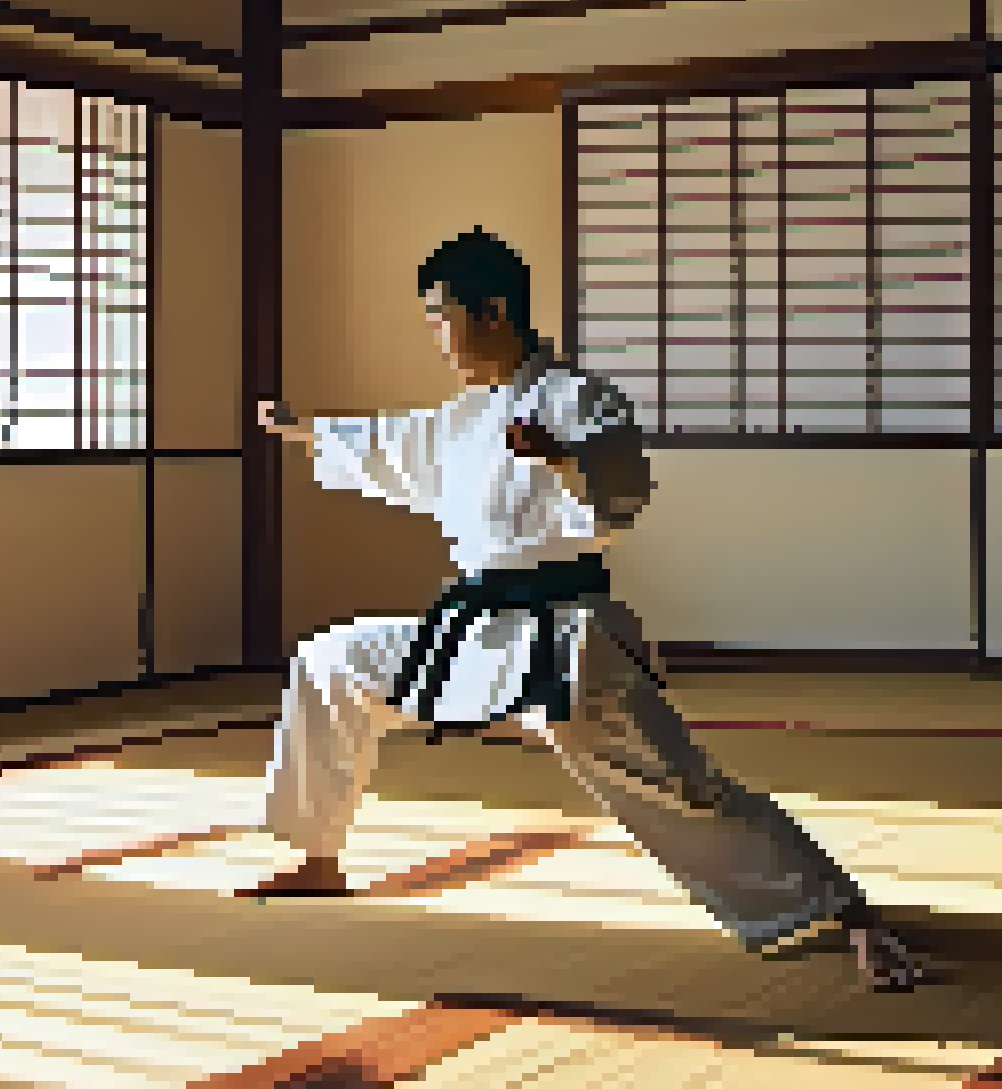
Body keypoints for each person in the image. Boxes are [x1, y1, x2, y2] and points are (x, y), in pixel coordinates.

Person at [247, 227, 948, 992]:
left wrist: (565, 460)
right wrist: (303, 427)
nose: (434, 334)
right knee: (330, 660)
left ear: (492, 312)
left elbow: (623, 493)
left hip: (563, 638)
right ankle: (317, 857)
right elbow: (385, 441)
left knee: (675, 785)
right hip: (473, 628)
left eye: (439, 314)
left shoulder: (578, 398)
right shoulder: (461, 419)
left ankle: (841, 913)